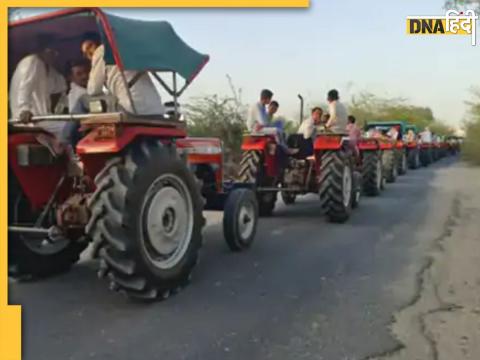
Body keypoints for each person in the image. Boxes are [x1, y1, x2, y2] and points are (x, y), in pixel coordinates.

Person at [81, 32, 165, 115]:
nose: (89, 53)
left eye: (90, 46)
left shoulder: (101, 51)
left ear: (97, 42)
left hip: (132, 108)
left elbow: (93, 89)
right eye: (85, 53)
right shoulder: (124, 49)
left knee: (83, 99)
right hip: (156, 109)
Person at [9, 33, 67, 123]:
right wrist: (24, 109)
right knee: (68, 128)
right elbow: (24, 87)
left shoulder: (50, 70)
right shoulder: (32, 61)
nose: (55, 55)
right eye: (52, 51)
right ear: (42, 50)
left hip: (44, 117)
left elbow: (61, 88)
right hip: (27, 119)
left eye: (57, 52)